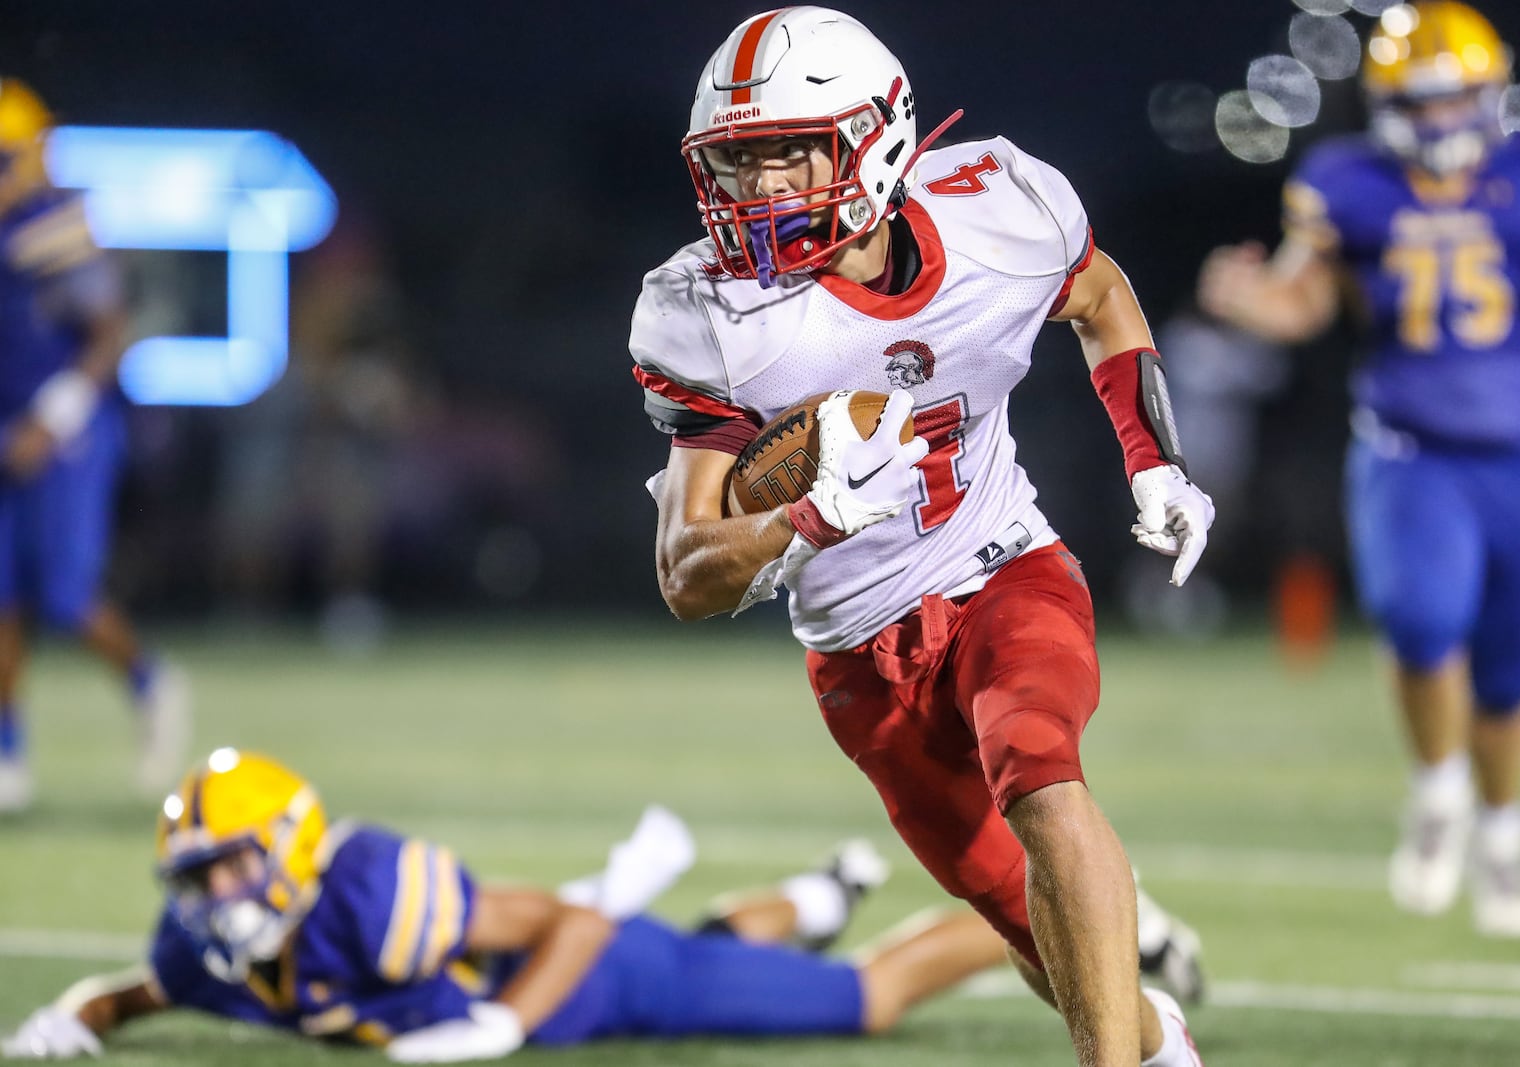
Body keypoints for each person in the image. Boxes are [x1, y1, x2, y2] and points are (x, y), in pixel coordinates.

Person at [636, 9, 1213, 1065]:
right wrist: (800, 518)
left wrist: (1154, 458)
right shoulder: (708, 310)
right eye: (738, 162)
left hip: (1001, 565)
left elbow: (1099, 294)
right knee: (1017, 910)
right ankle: (1157, 1038)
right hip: (859, 649)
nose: (758, 189)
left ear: (877, 138)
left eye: (787, 154)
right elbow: (687, 574)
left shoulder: (1002, 207)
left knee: (1038, 769)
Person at [1197, 2, 1520, 939]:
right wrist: (1247, 301)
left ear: (1489, 92)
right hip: (1410, 450)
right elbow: (1301, 302)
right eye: (1420, 102)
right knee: (1421, 623)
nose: (1438, 120)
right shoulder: (1348, 181)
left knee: (1508, 680)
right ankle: (1438, 791)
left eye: (1454, 98)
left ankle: (1502, 838)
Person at [2, 747, 1152, 1061]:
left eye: (228, 867)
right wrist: (78, 1017)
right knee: (697, 939)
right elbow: (143, 990)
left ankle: (1105, 921)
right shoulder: (207, 951)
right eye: (197, 877)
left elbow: (576, 924)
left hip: (597, 981)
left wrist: (501, 1025)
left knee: (868, 1000)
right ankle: (815, 893)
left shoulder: (370, 896)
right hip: (591, 966)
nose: (214, 896)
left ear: (293, 847)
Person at [0, 78, 190, 812]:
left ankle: (150, 682)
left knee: (66, 594)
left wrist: (55, 413)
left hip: (68, 430)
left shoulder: (55, 221)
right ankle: (9, 752)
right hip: (8, 429)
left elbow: (109, 331)